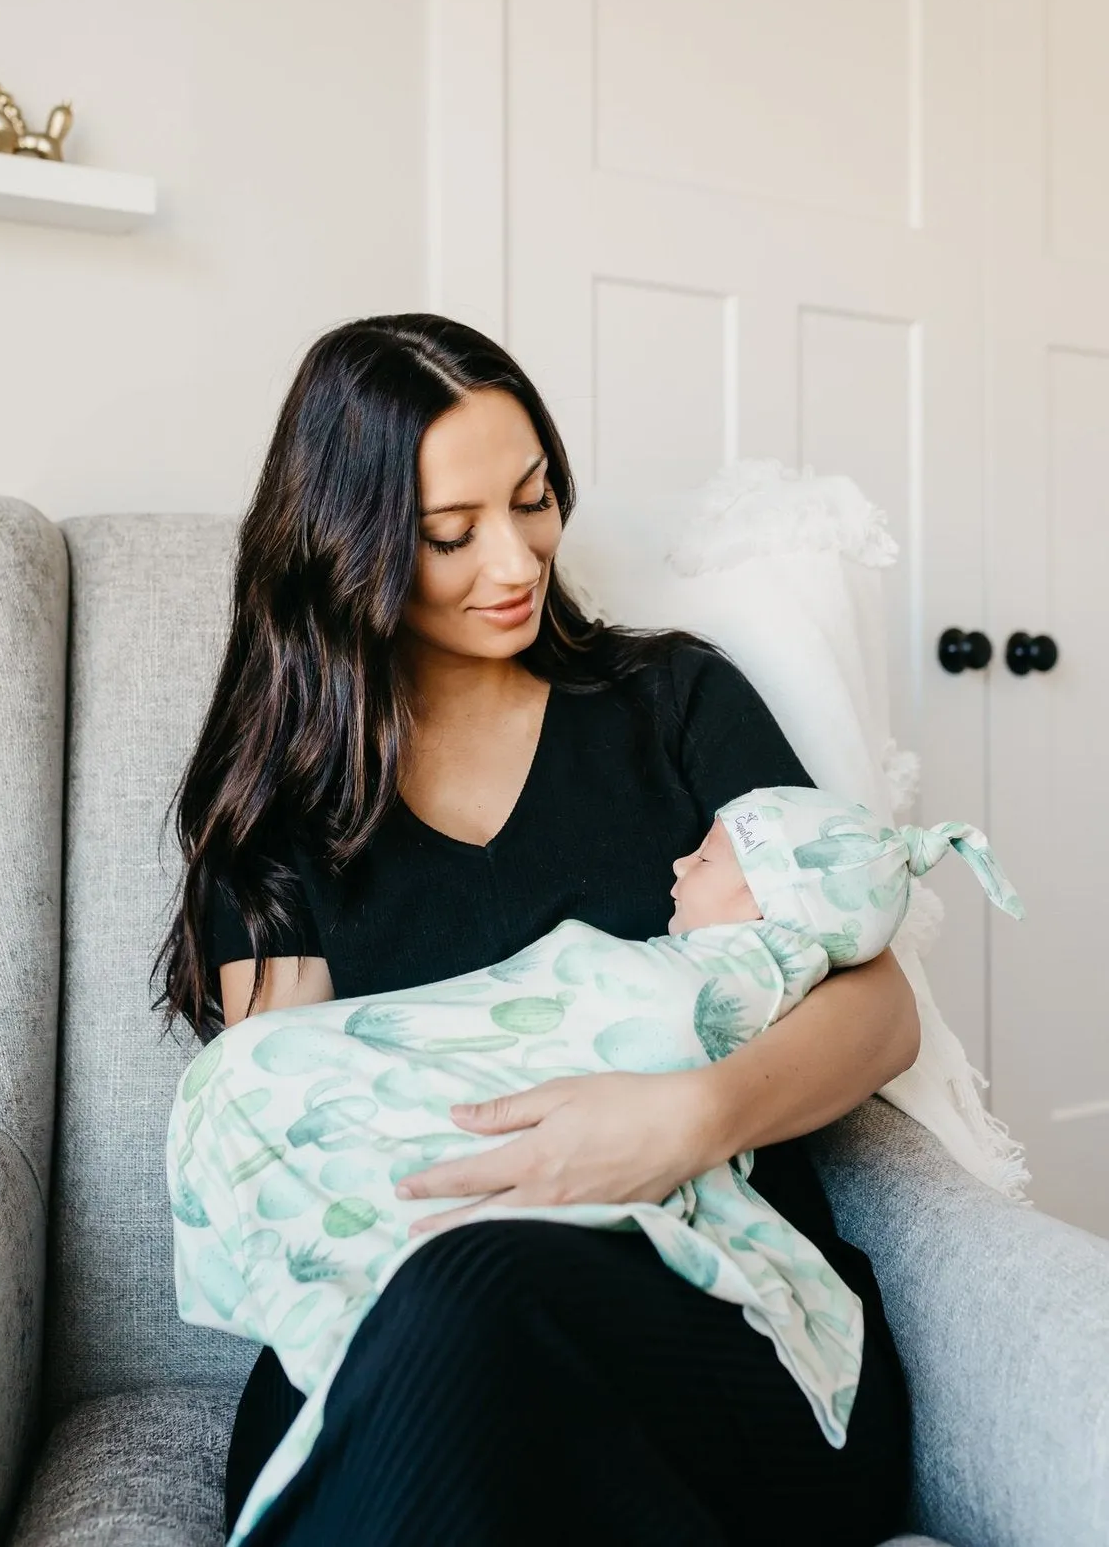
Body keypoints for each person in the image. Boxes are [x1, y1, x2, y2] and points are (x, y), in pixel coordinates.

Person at [154, 314, 920, 1547]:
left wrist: (688, 1118)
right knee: (437, 1322)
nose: (515, 563)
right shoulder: (281, 820)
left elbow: (882, 1016)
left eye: (535, 500)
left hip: (719, 1330)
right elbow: (300, 1142)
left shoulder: (674, 704)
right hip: (425, 1320)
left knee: (478, 1295)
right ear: (343, 547)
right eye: (451, 536)